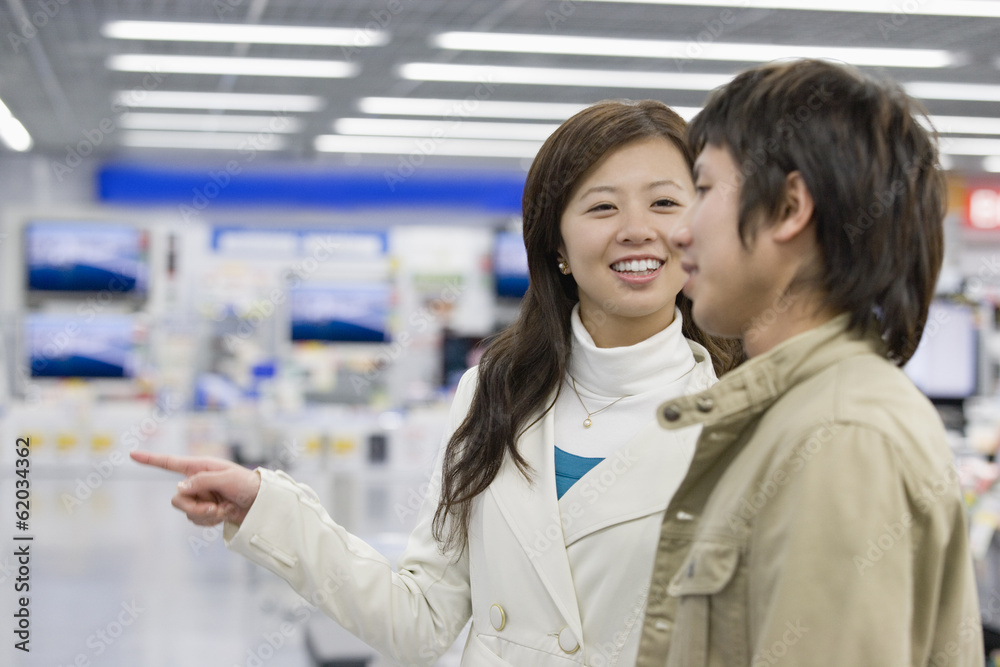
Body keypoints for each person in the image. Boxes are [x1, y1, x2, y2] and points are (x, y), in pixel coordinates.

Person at [132, 99, 744, 667]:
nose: (636, 229)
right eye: (602, 206)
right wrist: (270, 511)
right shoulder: (494, 394)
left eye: (665, 203)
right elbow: (421, 620)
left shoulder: (741, 413)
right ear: (556, 243)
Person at [634, 59, 983, 666]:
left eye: (705, 190)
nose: (679, 233)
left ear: (790, 207)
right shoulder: (798, 417)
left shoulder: (841, 436)